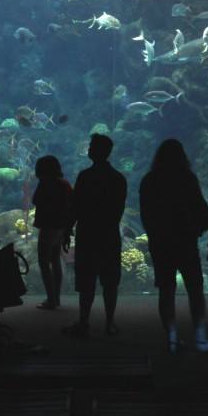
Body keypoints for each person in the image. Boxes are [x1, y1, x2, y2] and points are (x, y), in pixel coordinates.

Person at [140, 138, 208, 353]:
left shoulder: (149, 180)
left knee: (166, 291)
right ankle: (200, 337)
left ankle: (172, 338)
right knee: (195, 289)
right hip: (186, 241)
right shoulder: (187, 177)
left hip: (161, 243)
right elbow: (201, 207)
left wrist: (154, 236)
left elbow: (146, 214)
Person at [62, 134, 127, 337]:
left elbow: (75, 207)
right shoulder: (118, 178)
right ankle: (109, 323)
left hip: (88, 234)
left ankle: (84, 322)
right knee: (110, 282)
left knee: (86, 281)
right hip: (109, 235)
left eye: (91, 146)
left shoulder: (85, 176)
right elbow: (118, 210)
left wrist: (67, 230)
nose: (89, 149)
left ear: (98, 150)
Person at [32, 155, 72, 310]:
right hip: (61, 227)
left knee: (43, 262)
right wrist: (68, 230)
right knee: (55, 260)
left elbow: (35, 200)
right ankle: (56, 297)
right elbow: (70, 204)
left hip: (48, 226)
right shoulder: (64, 184)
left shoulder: (45, 183)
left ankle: (51, 299)